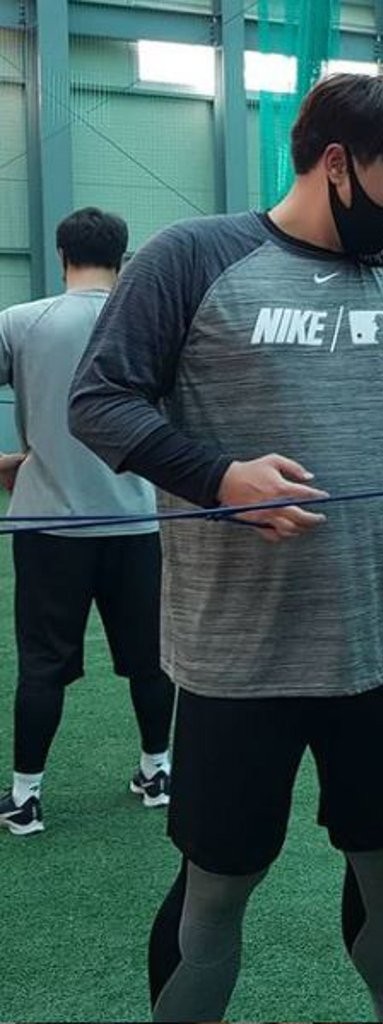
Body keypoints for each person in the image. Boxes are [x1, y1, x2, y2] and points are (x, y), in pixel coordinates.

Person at [69, 74, 383, 1023]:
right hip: (236, 661)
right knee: (218, 883)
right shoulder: (193, 258)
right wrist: (219, 480)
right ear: (335, 162)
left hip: (381, 650)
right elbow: (99, 401)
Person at [0, 207, 175, 837]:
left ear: (59, 255)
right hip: (138, 525)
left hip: (48, 529)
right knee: (152, 660)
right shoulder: (155, 322)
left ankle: (25, 799)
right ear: (124, 259)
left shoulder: (21, 322)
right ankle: (158, 773)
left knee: (42, 664)